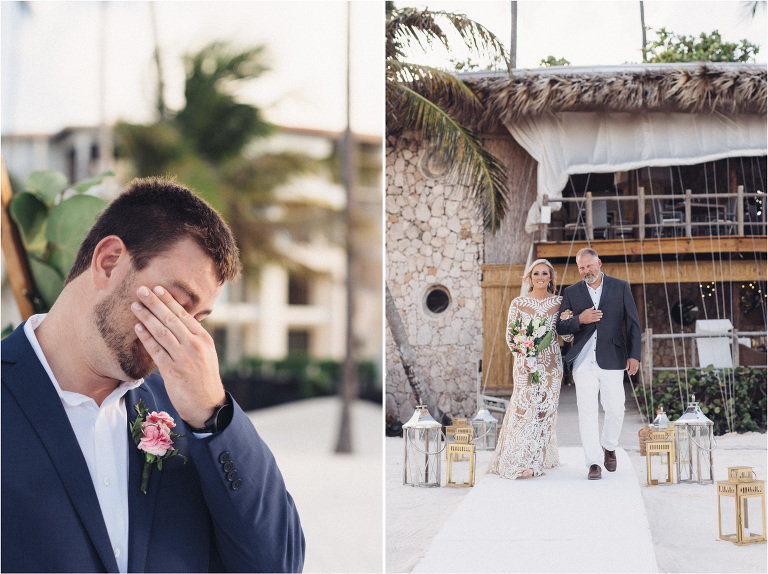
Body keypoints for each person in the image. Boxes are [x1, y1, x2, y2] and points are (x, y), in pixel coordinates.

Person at [1, 178, 305, 573]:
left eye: (197, 319)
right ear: (109, 262)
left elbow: (277, 565)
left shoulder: (192, 421)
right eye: (176, 302)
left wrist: (214, 417)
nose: (184, 333)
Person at [556, 248, 641, 480]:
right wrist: (579, 320)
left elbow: (633, 323)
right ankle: (593, 462)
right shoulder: (572, 292)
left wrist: (635, 355)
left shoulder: (620, 286)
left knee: (616, 408)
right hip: (583, 361)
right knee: (587, 412)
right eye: (581, 268)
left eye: (589, 266)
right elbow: (560, 327)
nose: (586, 271)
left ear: (599, 263)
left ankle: (609, 446)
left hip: (613, 357)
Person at [487, 259, 572, 479]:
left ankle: (536, 463)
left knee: (545, 412)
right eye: (536, 274)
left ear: (551, 278)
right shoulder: (518, 303)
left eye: (545, 273)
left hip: (552, 364)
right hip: (525, 364)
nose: (541, 277)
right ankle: (517, 458)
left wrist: (568, 320)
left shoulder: (561, 302)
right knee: (523, 410)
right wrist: (523, 356)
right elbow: (510, 335)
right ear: (530, 278)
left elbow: (568, 336)